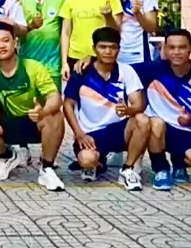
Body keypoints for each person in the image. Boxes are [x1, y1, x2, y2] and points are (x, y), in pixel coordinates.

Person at [0, 22, 65, 191]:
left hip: (34, 120)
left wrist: (43, 111)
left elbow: (54, 97)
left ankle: (47, 167)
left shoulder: (33, 67)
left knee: (55, 116)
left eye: (5, 40)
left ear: (15, 42)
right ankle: (7, 156)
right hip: (7, 122)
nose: (1, 46)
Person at [63, 27, 149, 191]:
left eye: (113, 47)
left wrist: (128, 110)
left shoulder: (126, 71)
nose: (108, 52)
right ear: (94, 48)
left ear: (119, 49)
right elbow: (68, 104)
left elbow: (139, 104)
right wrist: (79, 133)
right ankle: (97, 164)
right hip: (90, 133)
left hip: (119, 129)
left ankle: (128, 169)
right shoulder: (82, 71)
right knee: (87, 160)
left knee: (142, 120)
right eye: (103, 47)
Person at [136, 29, 191, 190]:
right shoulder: (152, 70)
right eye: (172, 47)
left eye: (182, 47)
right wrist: (90, 59)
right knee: (156, 123)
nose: (176, 52)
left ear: (190, 49)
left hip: (184, 129)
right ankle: (161, 169)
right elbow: (117, 68)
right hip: (156, 128)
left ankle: (179, 162)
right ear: (165, 49)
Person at [59, 0, 122, 82]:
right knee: (73, 94)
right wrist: (64, 63)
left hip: (101, 58)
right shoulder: (70, 0)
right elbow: (65, 33)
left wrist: (108, 16)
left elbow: (117, 31)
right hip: (74, 59)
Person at [17, 0, 65, 90]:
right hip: (27, 63)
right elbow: (13, 31)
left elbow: (66, 31)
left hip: (53, 65)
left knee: (53, 100)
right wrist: (31, 26)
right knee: (30, 101)